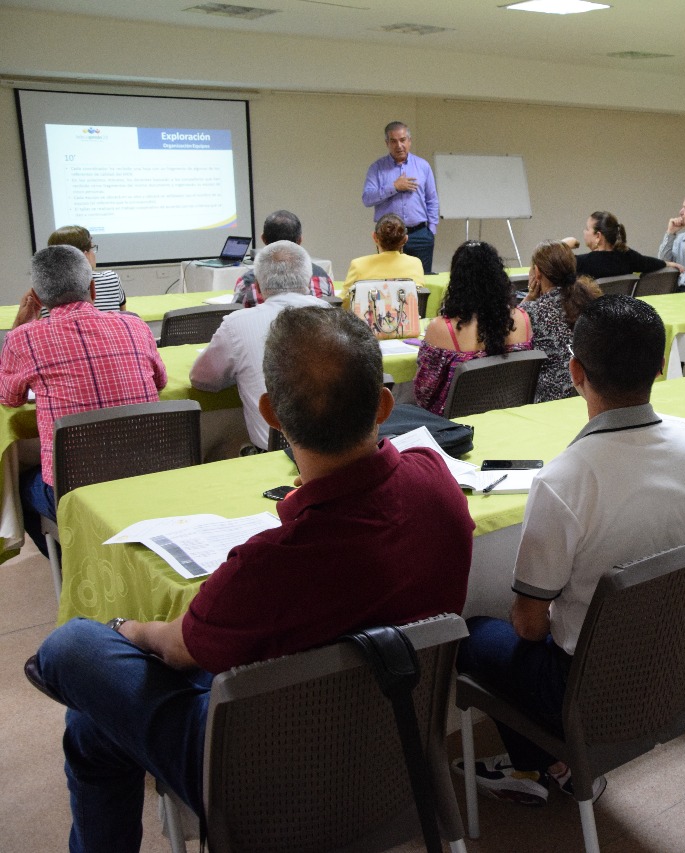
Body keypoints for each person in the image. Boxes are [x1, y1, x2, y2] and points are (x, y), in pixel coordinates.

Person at [27, 306, 473, 853]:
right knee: (92, 730)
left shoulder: (268, 566)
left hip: (267, 780)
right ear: (385, 404)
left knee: (73, 646)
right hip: (396, 747)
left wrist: (126, 628)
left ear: (271, 415)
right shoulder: (439, 487)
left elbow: (179, 649)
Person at [455, 295, 685, 805]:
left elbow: (530, 626)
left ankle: (538, 767)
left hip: (583, 689)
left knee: (473, 636)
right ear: (661, 368)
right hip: (675, 666)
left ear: (575, 370)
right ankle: (551, 764)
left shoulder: (564, 480)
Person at [0, 245, 166, 557]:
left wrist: (23, 321)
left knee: (22, 484)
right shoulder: (134, 324)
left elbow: (9, 397)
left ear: (36, 296)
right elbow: (161, 381)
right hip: (151, 472)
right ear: (91, 287)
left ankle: (73, 564)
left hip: (76, 488)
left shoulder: (24, 338)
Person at [191, 241, 333, 451]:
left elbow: (202, 380)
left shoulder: (236, 324)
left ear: (256, 286)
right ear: (309, 282)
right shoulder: (331, 314)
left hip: (272, 454)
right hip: (334, 449)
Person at [413, 241, 533, 414]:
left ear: (456, 280)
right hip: (511, 419)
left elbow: (423, 394)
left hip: (454, 427)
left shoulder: (441, 328)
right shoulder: (522, 319)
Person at [521, 240, 601, 403]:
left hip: (548, 400)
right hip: (590, 392)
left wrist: (528, 298)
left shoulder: (532, 311)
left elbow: (509, 329)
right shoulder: (591, 299)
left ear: (537, 272)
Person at [362, 121, 439, 273]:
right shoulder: (377, 168)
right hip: (388, 235)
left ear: (409, 141)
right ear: (387, 143)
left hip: (420, 235)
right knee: (390, 280)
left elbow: (432, 199)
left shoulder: (423, 166)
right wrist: (394, 187)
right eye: (393, 141)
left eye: (403, 140)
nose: (399, 145)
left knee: (422, 281)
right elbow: (367, 198)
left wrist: (431, 230)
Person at [232, 209, 335, 307]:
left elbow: (234, 313)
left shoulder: (246, 283)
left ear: (263, 239)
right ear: (300, 240)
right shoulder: (323, 278)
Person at [562, 211, 674, 280]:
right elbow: (647, 263)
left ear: (598, 236)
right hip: (622, 315)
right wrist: (666, 263)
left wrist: (563, 245)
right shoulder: (628, 257)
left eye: (587, 229)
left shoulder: (582, 263)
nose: (584, 231)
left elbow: (549, 264)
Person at [46, 225, 125, 312]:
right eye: (92, 248)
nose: (94, 253)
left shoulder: (44, 289)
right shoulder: (111, 279)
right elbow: (124, 317)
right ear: (84, 255)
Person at [343, 213, 426, 285]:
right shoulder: (415, 264)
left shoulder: (358, 266)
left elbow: (344, 301)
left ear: (375, 237)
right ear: (405, 239)